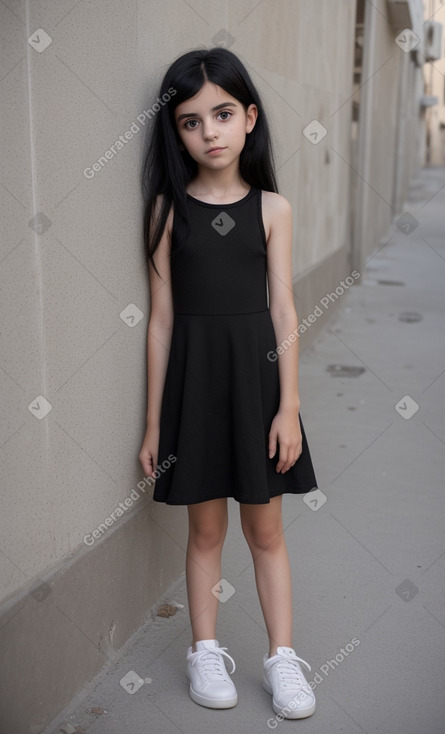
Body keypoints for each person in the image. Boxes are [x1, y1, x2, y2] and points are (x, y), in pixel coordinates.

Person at [138, 46, 319, 719]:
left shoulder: (272, 209)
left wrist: (289, 407)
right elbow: (159, 323)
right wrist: (156, 423)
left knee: (266, 532)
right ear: (175, 132)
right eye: (190, 121)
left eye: (220, 114)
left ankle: (281, 659)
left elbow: (283, 311)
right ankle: (205, 649)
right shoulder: (166, 210)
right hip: (194, 391)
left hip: (258, 391)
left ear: (248, 118)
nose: (208, 131)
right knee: (205, 532)